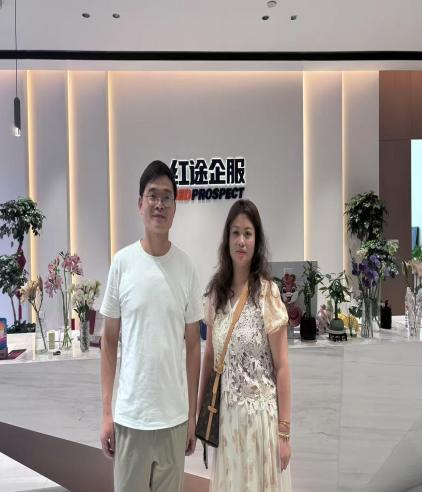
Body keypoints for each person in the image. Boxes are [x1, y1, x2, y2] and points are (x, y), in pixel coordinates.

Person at [100, 160, 203, 492]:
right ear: (140, 203)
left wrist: (191, 416)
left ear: (175, 207)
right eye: (153, 195)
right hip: (131, 418)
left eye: (167, 197)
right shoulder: (122, 263)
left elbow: (193, 346)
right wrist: (107, 413)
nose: (160, 204)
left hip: (174, 420)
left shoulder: (186, 267)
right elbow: (109, 340)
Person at [198, 199, 292, 492]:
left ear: (256, 240)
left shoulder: (267, 294)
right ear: (227, 239)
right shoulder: (216, 294)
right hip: (228, 423)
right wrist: (199, 415)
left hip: (260, 424)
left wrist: (284, 433)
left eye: (248, 233)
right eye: (236, 233)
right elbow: (209, 358)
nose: (241, 241)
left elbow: (282, 367)